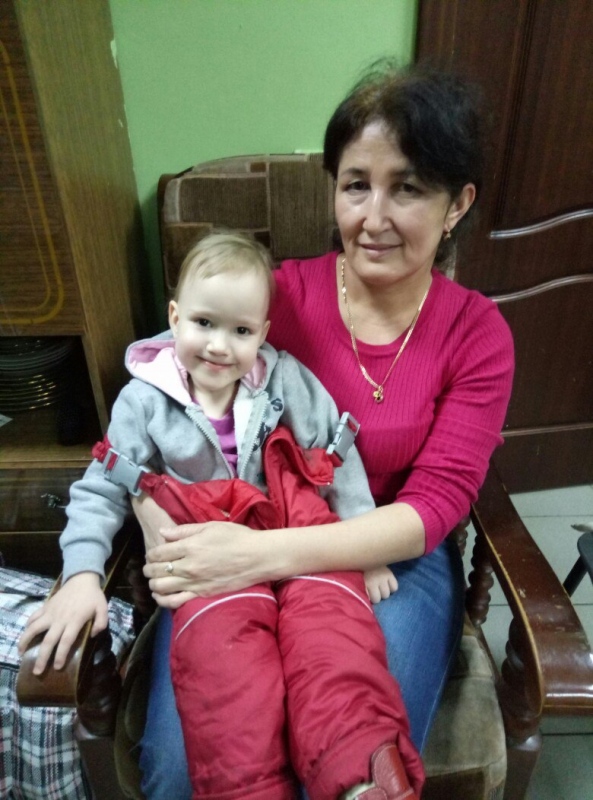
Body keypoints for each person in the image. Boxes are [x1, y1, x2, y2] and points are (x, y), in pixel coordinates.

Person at [135, 62, 515, 800]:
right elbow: (155, 395)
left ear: (457, 205)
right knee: (185, 770)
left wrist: (259, 556)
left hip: (391, 560)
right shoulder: (273, 296)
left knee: (348, 764)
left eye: (408, 188)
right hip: (239, 526)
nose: (374, 217)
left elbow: (433, 506)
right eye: (355, 185)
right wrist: (155, 519)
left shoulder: (476, 334)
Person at [19, 231, 424, 800]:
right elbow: (102, 488)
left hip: (300, 537)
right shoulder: (144, 401)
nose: (219, 346)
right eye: (204, 323)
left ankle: (361, 778)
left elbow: (336, 453)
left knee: (335, 642)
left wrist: (367, 546)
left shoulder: (285, 380)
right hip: (208, 560)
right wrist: (82, 574)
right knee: (224, 674)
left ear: (262, 332)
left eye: (240, 331)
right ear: (174, 316)